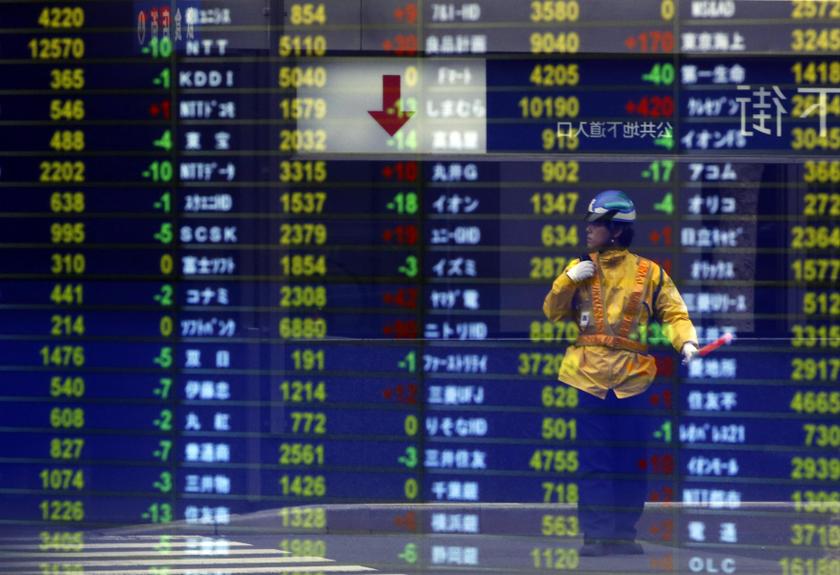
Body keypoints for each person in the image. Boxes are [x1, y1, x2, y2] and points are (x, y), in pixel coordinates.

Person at [542, 190, 699, 557]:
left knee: (631, 461)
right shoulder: (580, 268)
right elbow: (552, 311)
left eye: (594, 224)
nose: (588, 230)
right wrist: (567, 278)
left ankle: (623, 534)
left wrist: (686, 342)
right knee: (595, 461)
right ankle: (595, 535)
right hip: (589, 378)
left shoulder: (650, 273)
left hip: (633, 380)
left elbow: (674, 314)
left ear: (614, 229)